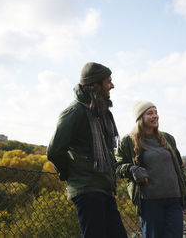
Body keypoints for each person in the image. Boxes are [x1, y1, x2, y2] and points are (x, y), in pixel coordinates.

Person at [47, 62, 128, 238]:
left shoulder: (100, 111)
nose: (112, 86)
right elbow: (54, 151)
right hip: (87, 189)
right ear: (95, 85)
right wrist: (71, 172)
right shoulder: (75, 111)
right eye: (108, 82)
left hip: (104, 187)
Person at [115, 100, 186, 238]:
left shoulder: (168, 138)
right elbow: (117, 166)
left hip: (174, 200)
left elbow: (179, 168)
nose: (155, 116)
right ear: (140, 118)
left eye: (156, 112)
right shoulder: (128, 141)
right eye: (150, 113)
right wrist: (133, 169)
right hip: (149, 202)